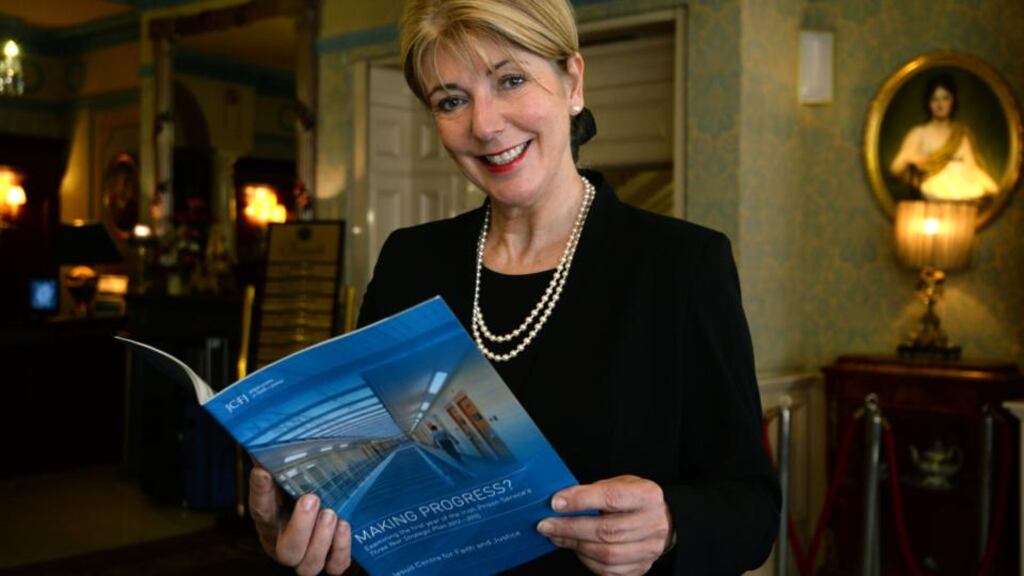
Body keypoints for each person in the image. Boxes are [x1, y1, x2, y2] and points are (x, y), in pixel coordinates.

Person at [248, 1, 780, 574]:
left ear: (572, 81)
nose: (484, 124)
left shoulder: (681, 267)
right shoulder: (409, 261)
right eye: (452, 100)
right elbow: (367, 481)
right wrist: (296, 525)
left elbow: (751, 509)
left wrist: (672, 522)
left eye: (511, 80)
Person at [889, 74, 999, 201]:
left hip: (963, 191)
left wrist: (993, 189)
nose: (940, 105)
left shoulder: (960, 133)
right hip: (933, 192)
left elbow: (972, 168)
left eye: (945, 98)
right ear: (928, 103)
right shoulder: (919, 133)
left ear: (952, 101)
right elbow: (895, 169)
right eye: (934, 99)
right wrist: (911, 157)